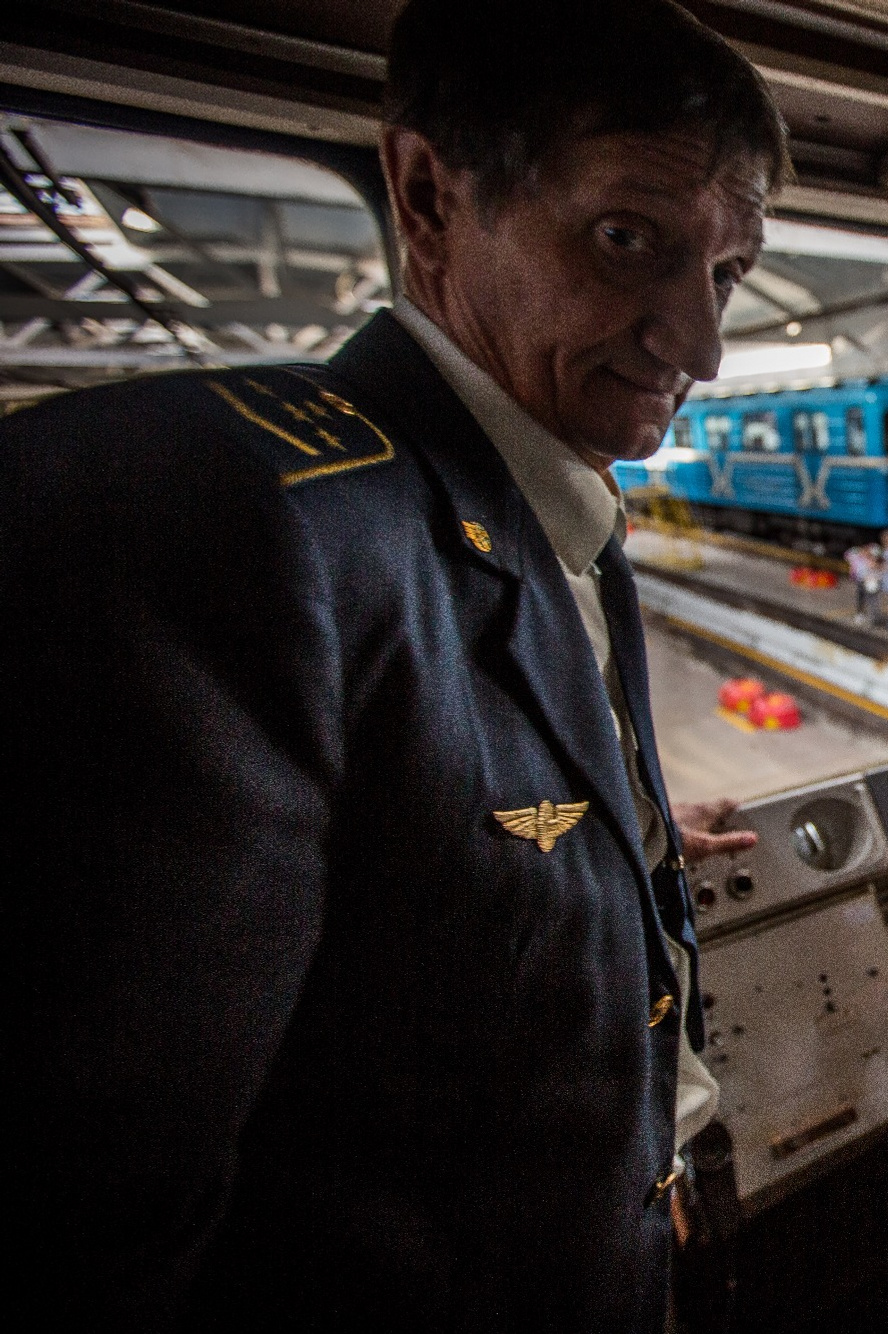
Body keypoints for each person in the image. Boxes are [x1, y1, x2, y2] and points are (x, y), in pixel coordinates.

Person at [1, 2, 782, 1329]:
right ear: (426, 196)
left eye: (725, 274)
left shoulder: (562, 519)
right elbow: (86, 1229)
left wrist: (620, 838)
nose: (696, 342)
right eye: (626, 239)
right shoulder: (225, 518)